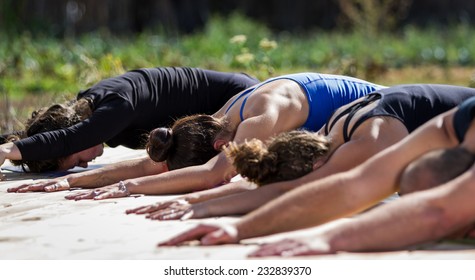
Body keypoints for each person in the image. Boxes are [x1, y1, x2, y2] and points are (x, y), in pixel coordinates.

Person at [154, 85, 475, 247]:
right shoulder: (331, 133)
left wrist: (210, 209)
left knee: (420, 197)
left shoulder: (371, 139)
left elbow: (327, 191)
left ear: (319, 165)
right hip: (451, 128)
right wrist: (201, 206)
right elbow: (275, 186)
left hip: (448, 125)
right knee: (407, 186)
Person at [12, 73, 383, 197]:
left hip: (381, 108)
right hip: (346, 120)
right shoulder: (219, 118)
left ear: (221, 146)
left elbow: (211, 175)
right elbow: (151, 164)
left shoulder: (257, 120)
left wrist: (129, 188)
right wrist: (72, 183)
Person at [1, 67, 259, 175]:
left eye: (77, 161)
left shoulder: (116, 108)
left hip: (241, 99)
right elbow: (39, 135)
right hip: (230, 100)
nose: (85, 164)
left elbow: (68, 140)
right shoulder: (89, 105)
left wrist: (5, 151)